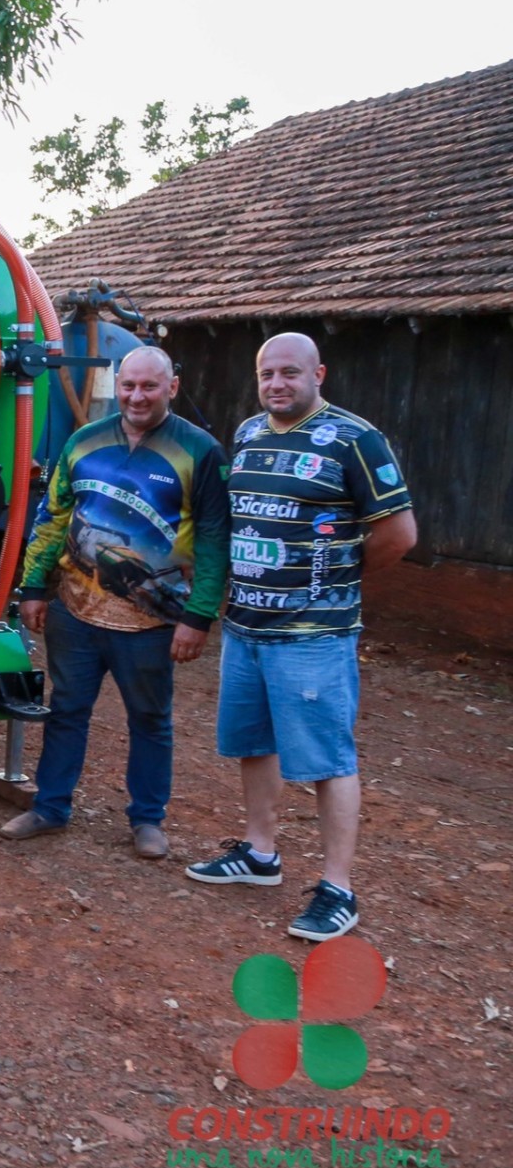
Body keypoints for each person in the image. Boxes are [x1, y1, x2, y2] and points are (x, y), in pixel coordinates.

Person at [185, 332, 416, 942]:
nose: (277, 384)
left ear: (319, 373)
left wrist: (335, 575)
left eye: (290, 372)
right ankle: (261, 854)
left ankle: (338, 889)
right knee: (253, 744)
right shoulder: (249, 433)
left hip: (313, 635)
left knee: (327, 761)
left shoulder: (354, 439)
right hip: (247, 627)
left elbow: (400, 534)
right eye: (267, 374)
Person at [2, 347, 227, 857]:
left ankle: (147, 820)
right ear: (116, 385)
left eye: (150, 386)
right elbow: (53, 518)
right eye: (128, 386)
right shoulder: (84, 441)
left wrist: (200, 615)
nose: (137, 396)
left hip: (152, 620)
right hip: (75, 611)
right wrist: (33, 587)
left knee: (150, 719)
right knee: (66, 710)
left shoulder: (200, 451)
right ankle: (50, 806)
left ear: (172, 387)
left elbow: (215, 540)